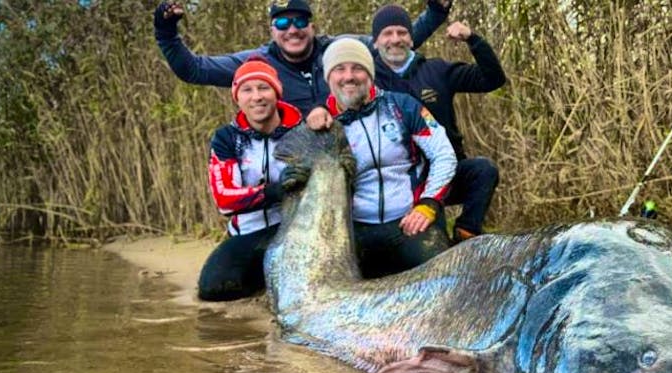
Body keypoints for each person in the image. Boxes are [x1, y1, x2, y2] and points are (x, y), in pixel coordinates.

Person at [153, 0, 452, 115]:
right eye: (282, 23)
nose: (292, 30)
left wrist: (437, 11)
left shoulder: (339, 50)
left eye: (299, 22)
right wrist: (166, 32)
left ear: (313, 26)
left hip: (349, 158)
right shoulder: (258, 63)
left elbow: (391, 46)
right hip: (293, 167)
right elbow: (193, 70)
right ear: (272, 30)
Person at [316, 38, 457, 278]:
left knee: (443, 276)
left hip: (409, 222)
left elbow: (444, 155)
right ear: (328, 78)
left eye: (358, 68)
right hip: (354, 232)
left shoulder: (403, 106)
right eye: (339, 69)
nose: (349, 76)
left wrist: (429, 204)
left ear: (370, 74)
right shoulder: (321, 125)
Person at [371, 5, 506, 241]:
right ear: (375, 42)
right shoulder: (368, 79)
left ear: (411, 38)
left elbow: (492, 79)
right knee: (431, 240)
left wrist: (473, 39)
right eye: (387, 33)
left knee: (484, 170)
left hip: (445, 171)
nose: (395, 39)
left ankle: (466, 233)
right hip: (401, 183)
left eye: (402, 33)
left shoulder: (437, 70)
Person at [199, 56, 308, 301]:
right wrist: (274, 191)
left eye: (263, 88)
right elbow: (224, 200)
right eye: (247, 90)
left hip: (294, 232)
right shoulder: (227, 138)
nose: (256, 97)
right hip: (248, 234)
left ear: (276, 93)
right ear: (237, 98)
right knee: (213, 288)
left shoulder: (301, 132)